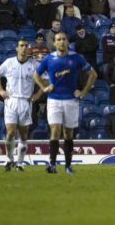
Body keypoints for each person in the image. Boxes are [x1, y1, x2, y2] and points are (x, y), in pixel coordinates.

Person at [33, 32, 97, 174]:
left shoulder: (76, 58)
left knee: (68, 133)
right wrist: (44, 87)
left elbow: (93, 74)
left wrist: (83, 91)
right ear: (54, 43)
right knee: (55, 131)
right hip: (54, 100)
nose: (61, 42)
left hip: (71, 100)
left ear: (67, 41)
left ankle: (68, 166)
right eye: (58, 40)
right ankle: (52, 165)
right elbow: (35, 75)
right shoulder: (48, 59)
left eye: (63, 39)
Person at [0, 39, 40, 171]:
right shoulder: (9, 63)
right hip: (11, 101)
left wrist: (38, 94)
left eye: (26, 46)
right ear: (16, 48)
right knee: (10, 132)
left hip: (26, 102)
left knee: (23, 135)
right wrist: (1, 90)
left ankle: (19, 163)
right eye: (21, 46)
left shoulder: (34, 64)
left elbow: (45, 79)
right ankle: (9, 160)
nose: (24, 48)